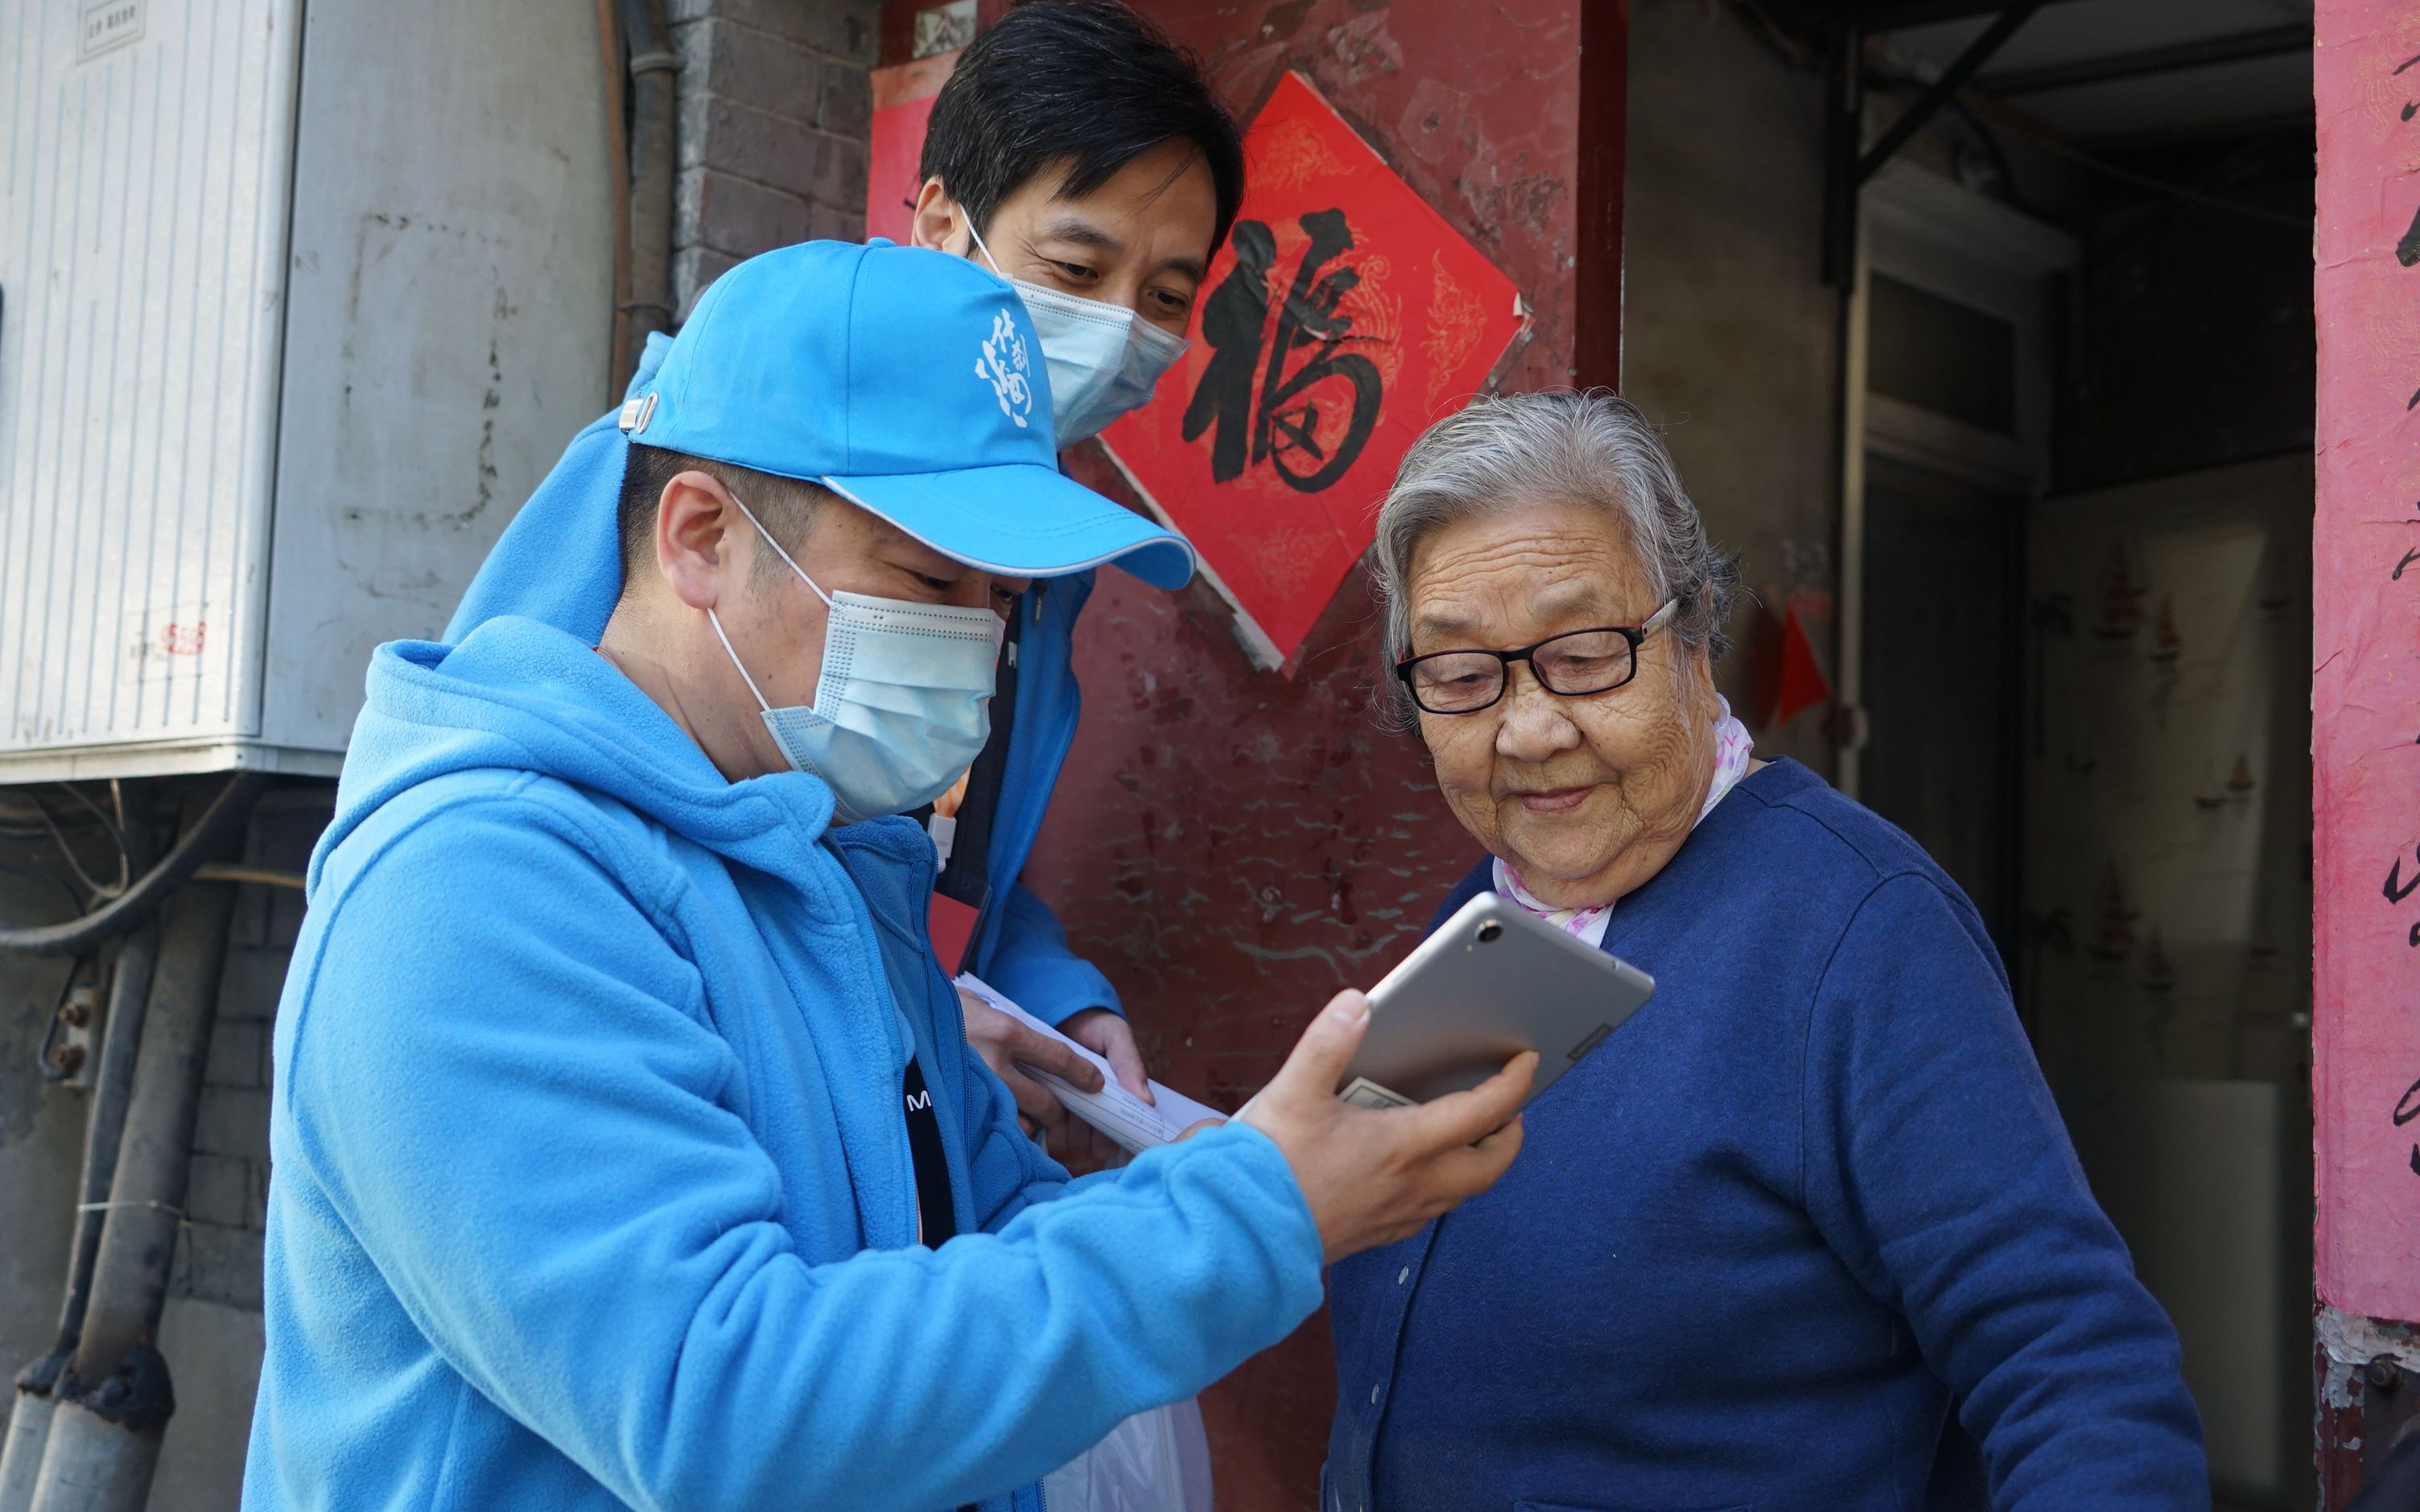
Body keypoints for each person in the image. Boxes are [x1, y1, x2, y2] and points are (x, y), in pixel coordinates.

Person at [245, 242, 1532, 1511]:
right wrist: (1254, 1214)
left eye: (1001, 600)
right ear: (701, 536)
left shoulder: (839, 874)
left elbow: (975, 1249)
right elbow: (724, 1405)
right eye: (930, 579)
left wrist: (1271, 1161)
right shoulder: (481, 891)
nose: (977, 642)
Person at [1321, 390, 2209, 1510]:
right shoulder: (1490, 909)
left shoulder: (1857, 932)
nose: (1529, 729)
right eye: (1460, 676)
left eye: (1587, 655)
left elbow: (2074, 1371)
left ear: (1694, 639)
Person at [449, 0, 1239, 1163]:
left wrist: (1044, 993)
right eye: (1076, 267)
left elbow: (929, 848)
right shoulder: (691, 455)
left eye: (1166, 298)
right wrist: (877, 1021)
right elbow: (512, 802)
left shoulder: (1040, 561)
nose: (1118, 329)